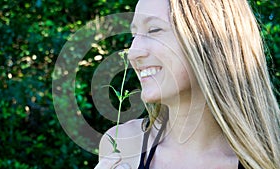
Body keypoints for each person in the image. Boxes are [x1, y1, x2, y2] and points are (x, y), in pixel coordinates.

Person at [95, 0, 280, 168]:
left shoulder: (270, 159)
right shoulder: (122, 145)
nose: (133, 53)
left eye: (154, 30)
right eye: (134, 35)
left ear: (211, 41)